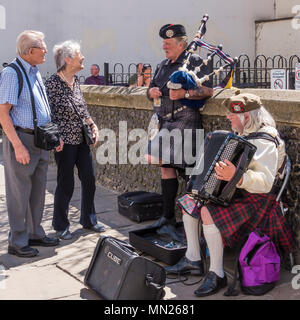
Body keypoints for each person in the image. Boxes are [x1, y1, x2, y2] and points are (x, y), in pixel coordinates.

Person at [165, 91, 296, 297]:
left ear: (246, 116)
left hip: (260, 200)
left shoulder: (266, 139)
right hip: (239, 192)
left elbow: (264, 182)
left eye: (232, 114)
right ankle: (193, 259)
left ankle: (217, 274)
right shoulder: (246, 133)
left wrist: (237, 177)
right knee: (191, 201)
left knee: (208, 211)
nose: (227, 117)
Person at [145, 24, 213, 229]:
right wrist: (152, 92)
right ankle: (168, 216)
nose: (164, 47)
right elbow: (148, 90)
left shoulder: (195, 62)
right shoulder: (162, 65)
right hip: (164, 121)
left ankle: (196, 220)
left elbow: (208, 90)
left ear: (181, 44)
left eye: (168, 44)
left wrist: (184, 94)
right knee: (165, 167)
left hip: (185, 120)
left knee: (189, 173)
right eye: (163, 43)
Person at [0, 30, 61, 257]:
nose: (46, 50)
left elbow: (42, 107)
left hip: (41, 139)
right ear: (29, 51)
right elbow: (3, 114)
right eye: (42, 47)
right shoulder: (11, 73)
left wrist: (56, 135)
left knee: (38, 190)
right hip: (22, 139)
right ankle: (17, 240)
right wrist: (17, 146)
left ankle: (35, 232)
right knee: (18, 193)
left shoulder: (34, 71)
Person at [45, 40, 105, 240]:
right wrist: (56, 136)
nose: (83, 57)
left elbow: (82, 108)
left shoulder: (76, 81)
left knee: (89, 180)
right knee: (66, 183)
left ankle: (89, 219)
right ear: (68, 60)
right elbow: (47, 114)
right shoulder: (52, 84)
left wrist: (92, 124)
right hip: (64, 141)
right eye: (80, 54)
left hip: (80, 138)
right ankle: (60, 224)